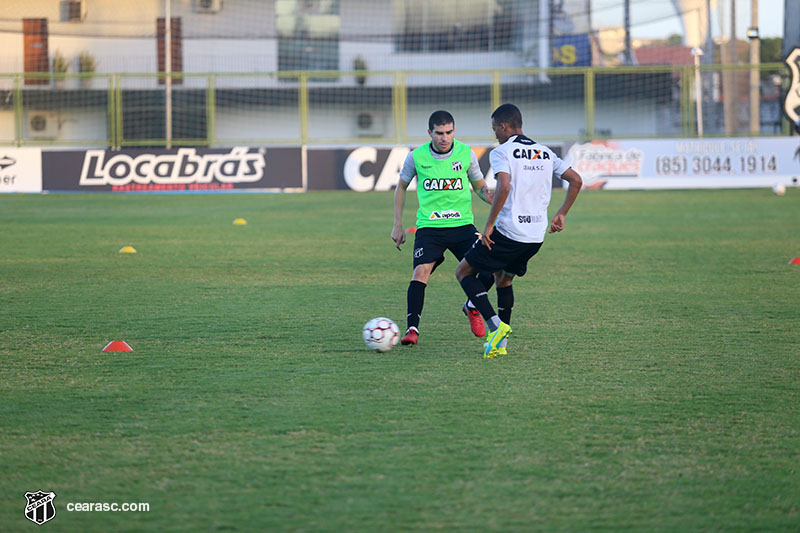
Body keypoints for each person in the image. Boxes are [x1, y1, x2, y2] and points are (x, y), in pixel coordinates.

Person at [455, 103, 583, 358]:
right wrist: (562, 213)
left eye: (494, 129)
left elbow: (503, 186)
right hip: (536, 236)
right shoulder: (545, 152)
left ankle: (494, 325)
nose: (494, 134)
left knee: (463, 272)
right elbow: (577, 180)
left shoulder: (502, 152)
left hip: (509, 231)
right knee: (504, 279)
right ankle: (501, 345)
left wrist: (489, 224)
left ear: (503, 126)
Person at [392, 110, 495, 345]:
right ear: (430, 133)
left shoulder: (466, 154)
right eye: (439, 133)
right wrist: (397, 225)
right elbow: (401, 188)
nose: (444, 138)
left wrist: (492, 198)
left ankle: (472, 306)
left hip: (462, 227)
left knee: (493, 265)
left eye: (448, 132)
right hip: (430, 228)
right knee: (421, 272)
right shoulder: (416, 157)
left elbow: (480, 187)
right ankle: (412, 329)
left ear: (454, 131)